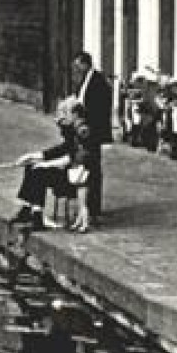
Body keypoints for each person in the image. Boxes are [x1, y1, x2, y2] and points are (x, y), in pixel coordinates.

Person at [9, 98, 96, 232]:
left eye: (65, 113)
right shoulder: (73, 129)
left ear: (75, 114)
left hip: (77, 179)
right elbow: (61, 149)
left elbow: (73, 158)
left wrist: (46, 164)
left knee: (39, 172)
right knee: (32, 166)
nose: (62, 117)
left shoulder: (83, 131)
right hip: (71, 173)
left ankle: (37, 217)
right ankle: (28, 210)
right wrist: (34, 156)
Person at [72, 51, 112, 224]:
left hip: (93, 130)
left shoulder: (98, 81)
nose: (77, 68)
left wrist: (88, 123)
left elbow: (100, 107)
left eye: (78, 65)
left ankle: (93, 206)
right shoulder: (86, 79)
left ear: (85, 63)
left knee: (93, 166)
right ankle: (87, 204)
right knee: (87, 165)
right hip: (85, 128)